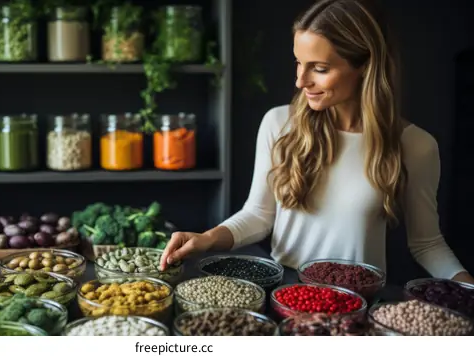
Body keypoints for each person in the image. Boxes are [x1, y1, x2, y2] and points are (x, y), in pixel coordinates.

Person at [160, 0, 474, 284]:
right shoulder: (278, 123)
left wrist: (468, 287)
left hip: (358, 307)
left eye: (320, 69)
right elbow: (258, 214)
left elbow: (427, 243)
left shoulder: (415, 145)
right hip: (286, 297)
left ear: (365, 66)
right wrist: (206, 238)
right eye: (299, 62)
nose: (300, 81)